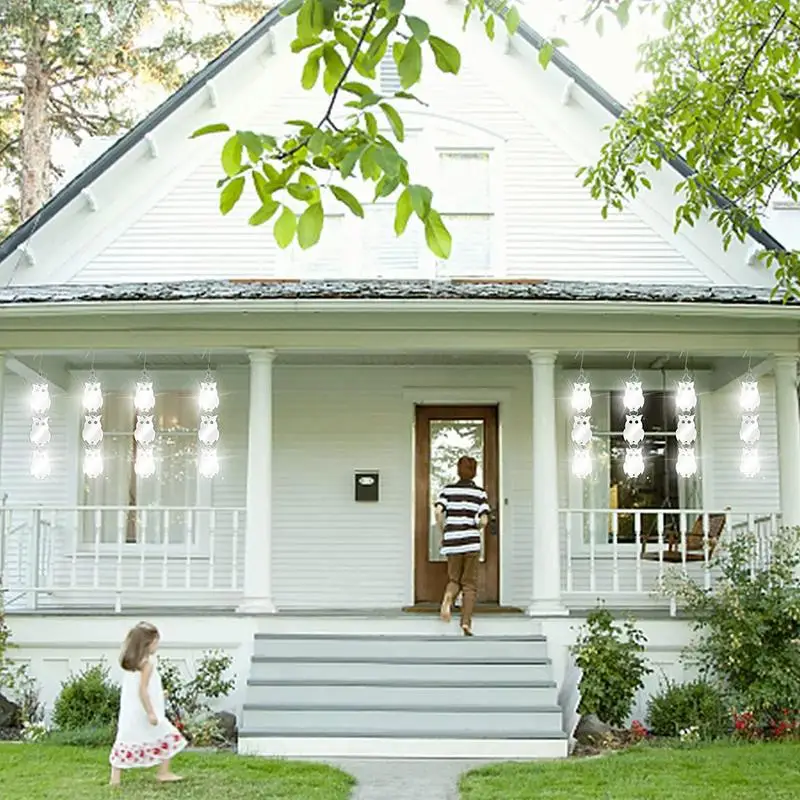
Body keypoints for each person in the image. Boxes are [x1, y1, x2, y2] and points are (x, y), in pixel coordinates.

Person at [109, 621, 186, 786]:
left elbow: (140, 688)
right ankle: (163, 772)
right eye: (156, 641)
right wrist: (151, 712)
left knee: (125, 738)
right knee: (167, 734)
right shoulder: (146, 665)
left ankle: (115, 778)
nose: (157, 645)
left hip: (131, 712)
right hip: (145, 710)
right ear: (147, 643)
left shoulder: (132, 665)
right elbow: (142, 690)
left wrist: (159, 694)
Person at [435, 455, 490, 636]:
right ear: (474, 473)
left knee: (454, 579)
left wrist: (444, 529)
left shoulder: (447, 490)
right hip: (471, 541)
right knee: (469, 584)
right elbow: (483, 519)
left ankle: (448, 598)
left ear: (458, 471)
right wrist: (477, 528)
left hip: (452, 541)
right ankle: (466, 622)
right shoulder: (479, 493)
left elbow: (438, 511)